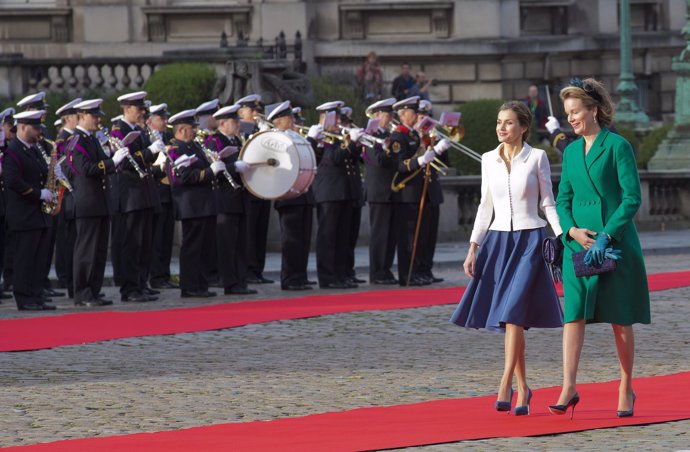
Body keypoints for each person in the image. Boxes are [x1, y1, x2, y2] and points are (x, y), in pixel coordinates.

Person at [450, 101, 564, 415]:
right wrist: (473, 245)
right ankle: (524, 388)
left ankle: (504, 383)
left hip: (531, 240)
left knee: (513, 314)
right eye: (500, 122)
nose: (502, 127)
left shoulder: (537, 157)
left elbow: (548, 203)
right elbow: (485, 206)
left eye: (509, 122)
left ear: (524, 127)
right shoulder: (488, 159)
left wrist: (562, 236)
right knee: (513, 318)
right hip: (498, 242)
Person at [549, 78, 650, 419]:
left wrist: (607, 235)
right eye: (568, 114)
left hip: (613, 244)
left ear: (594, 110)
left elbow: (632, 197)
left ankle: (625, 385)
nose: (571, 119)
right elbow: (563, 199)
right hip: (579, 246)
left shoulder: (618, 146)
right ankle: (569, 386)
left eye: (576, 112)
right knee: (573, 314)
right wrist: (572, 231)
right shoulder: (572, 151)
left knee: (619, 319)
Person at [389, 96, 449, 286]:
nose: (417, 116)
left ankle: (418, 271)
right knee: (408, 239)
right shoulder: (398, 136)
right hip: (408, 193)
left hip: (422, 191)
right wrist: (421, 160)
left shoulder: (414, 135)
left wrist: (439, 149)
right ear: (404, 114)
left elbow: (441, 162)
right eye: (414, 113)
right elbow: (399, 165)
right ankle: (407, 274)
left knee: (423, 237)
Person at [71, 99, 124, 307]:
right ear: (82, 116)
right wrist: (112, 161)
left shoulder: (91, 139)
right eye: (94, 116)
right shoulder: (76, 140)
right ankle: (82, 292)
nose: (98, 119)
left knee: (100, 250)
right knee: (87, 250)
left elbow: (103, 164)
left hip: (100, 202)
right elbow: (86, 169)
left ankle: (93, 289)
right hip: (88, 203)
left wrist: (113, 157)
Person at [111, 91, 164, 302]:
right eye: (138, 109)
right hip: (130, 194)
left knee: (144, 243)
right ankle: (130, 288)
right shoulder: (118, 130)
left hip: (144, 193)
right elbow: (124, 162)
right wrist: (151, 151)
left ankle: (141, 283)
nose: (142, 112)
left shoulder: (139, 130)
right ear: (127, 109)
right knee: (131, 244)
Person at [2, 110, 57, 310]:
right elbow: (13, 180)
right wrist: (38, 193)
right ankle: (24, 298)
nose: (38, 132)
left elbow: (42, 172)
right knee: (24, 259)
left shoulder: (34, 149)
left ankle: (36, 295)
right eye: (35, 128)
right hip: (24, 215)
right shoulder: (13, 150)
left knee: (38, 258)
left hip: (38, 215)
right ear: (22, 127)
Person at [167, 109, 224, 298]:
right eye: (192, 128)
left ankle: (201, 284)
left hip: (204, 204)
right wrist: (209, 172)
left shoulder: (194, 147)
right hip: (191, 205)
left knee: (204, 248)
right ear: (182, 130)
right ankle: (190, 286)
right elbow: (181, 178)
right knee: (192, 248)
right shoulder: (175, 149)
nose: (194, 131)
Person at [207, 104, 257, 295]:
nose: (238, 125)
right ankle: (230, 282)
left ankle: (241, 281)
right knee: (227, 244)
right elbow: (216, 169)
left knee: (241, 243)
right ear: (223, 123)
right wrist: (233, 167)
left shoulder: (237, 140)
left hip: (240, 198)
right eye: (234, 121)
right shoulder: (214, 141)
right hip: (225, 199)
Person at [268, 100, 316, 291]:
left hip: (303, 194)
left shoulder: (294, 136)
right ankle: (289, 278)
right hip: (288, 196)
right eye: (289, 117)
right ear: (279, 121)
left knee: (303, 240)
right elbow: (290, 160)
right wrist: (310, 141)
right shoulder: (277, 140)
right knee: (291, 240)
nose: (293, 120)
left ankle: (300, 275)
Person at [237, 94, 274, 284]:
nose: (257, 115)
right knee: (250, 232)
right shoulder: (241, 130)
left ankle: (258, 269)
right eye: (253, 111)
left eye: (258, 111)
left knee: (260, 231)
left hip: (263, 184)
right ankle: (249, 270)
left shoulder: (263, 129)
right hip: (248, 186)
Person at [363, 98, 399, 285]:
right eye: (387, 115)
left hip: (391, 190)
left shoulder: (388, 135)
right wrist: (390, 150)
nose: (390, 118)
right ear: (377, 116)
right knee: (380, 234)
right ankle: (377, 272)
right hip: (378, 190)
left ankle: (385, 270)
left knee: (390, 234)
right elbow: (378, 160)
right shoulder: (369, 136)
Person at [146, 103, 179, 290]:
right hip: (157, 190)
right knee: (157, 239)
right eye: (161, 119)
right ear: (150, 121)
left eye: (166, 118)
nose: (165, 122)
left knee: (167, 239)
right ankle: (156, 276)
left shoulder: (167, 137)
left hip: (169, 192)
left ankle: (164, 274)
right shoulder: (148, 138)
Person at [53, 98, 82, 298]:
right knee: (68, 240)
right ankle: (67, 278)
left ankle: (70, 279)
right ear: (68, 118)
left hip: (76, 197)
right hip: (67, 196)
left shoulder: (74, 138)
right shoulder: (64, 139)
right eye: (77, 116)